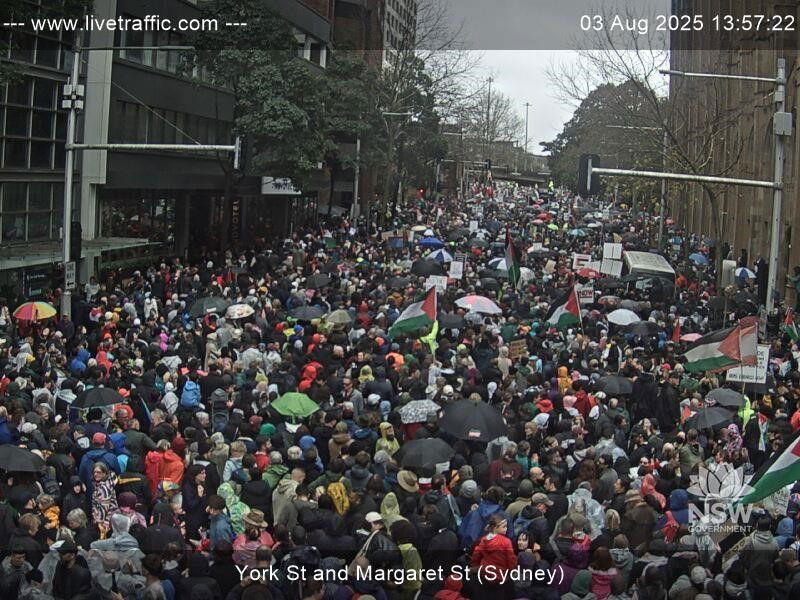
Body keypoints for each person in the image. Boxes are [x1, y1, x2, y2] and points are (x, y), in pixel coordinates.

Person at [469, 514, 517, 600]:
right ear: (495, 528)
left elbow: (476, 555)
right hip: (501, 577)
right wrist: (512, 571)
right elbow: (511, 559)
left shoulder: (484, 540)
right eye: (504, 527)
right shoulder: (506, 542)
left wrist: (475, 567)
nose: (506, 529)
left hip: (485, 575)